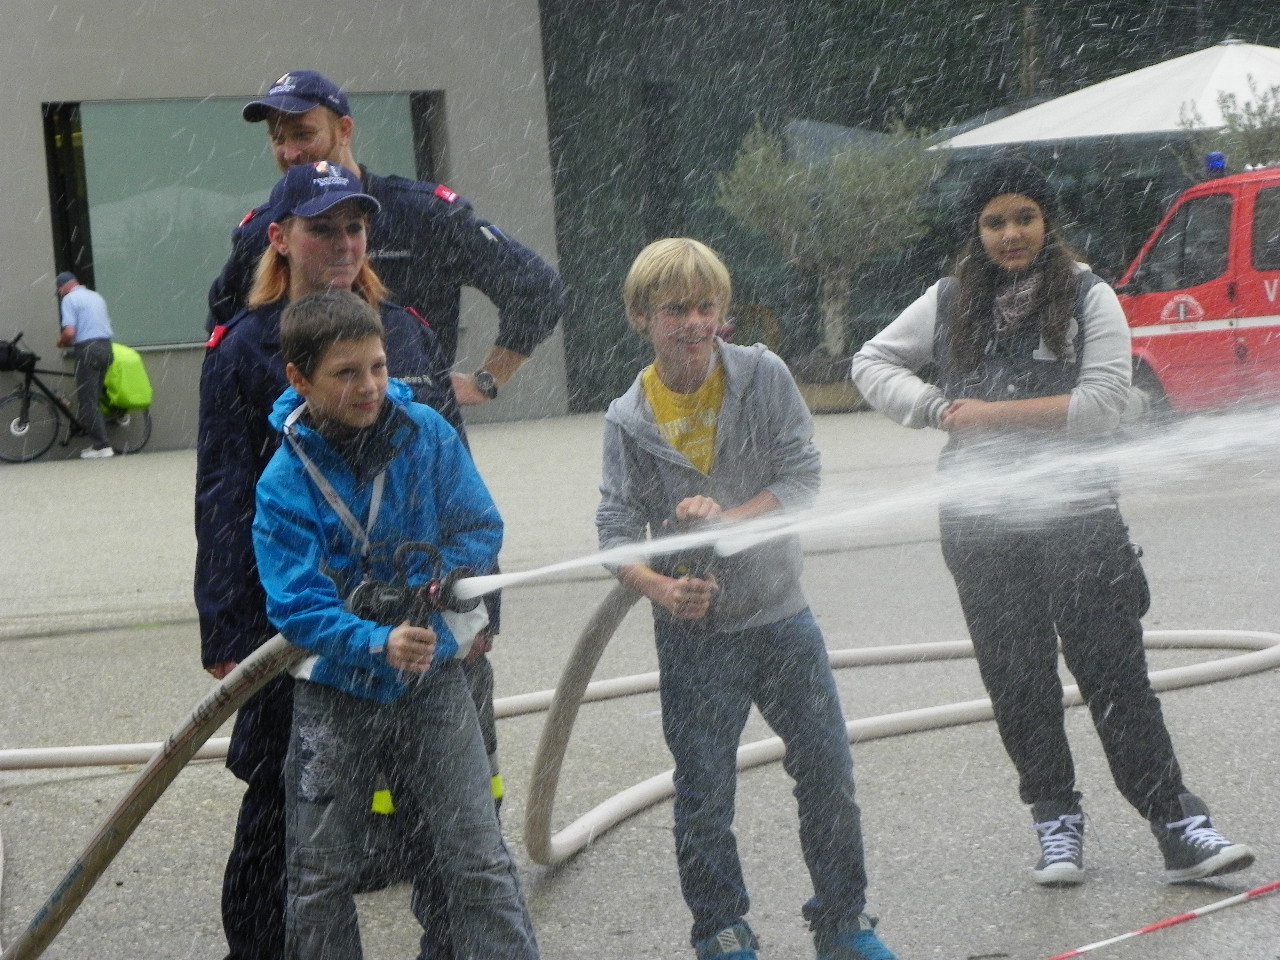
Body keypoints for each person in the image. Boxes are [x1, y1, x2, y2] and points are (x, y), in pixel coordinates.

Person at [851, 155, 1256, 887]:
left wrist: (987, 416)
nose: (1011, 234)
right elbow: (871, 362)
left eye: (1025, 218)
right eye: (994, 222)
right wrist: (934, 408)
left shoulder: (1090, 296)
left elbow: (1100, 405)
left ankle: (1177, 825)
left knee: (1114, 673)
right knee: (1017, 678)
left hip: (1079, 517)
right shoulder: (948, 298)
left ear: (1047, 222)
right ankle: (1055, 821)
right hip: (980, 524)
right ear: (977, 231)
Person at [596, 238, 897, 960]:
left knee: (828, 774)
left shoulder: (763, 376)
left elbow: (801, 478)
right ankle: (720, 931)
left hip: (781, 616)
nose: (694, 324)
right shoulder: (628, 419)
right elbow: (614, 532)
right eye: (676, 310)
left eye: (706, 307)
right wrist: (662, 588)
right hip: (696, 637)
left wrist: (729, 521)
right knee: (704, 796)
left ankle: (844, 924)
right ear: (641, 318)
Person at [196, 161, 466, 960]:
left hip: (413, 621)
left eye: (355, 227)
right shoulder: (245, 349)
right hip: (300, 621)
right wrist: (229, 632)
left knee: (437, 815)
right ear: (280, 238)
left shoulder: (405, 331)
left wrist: (476, 604)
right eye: (323, 229)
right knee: (282, 808)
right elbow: (224, 495)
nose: (344, 243)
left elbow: (456, 476)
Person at [252, 289, 539, 960]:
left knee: (477, 859)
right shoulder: (284, 480)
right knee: (320, 879)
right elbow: (295, 604)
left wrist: (445, 577)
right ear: (299, 379)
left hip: (432, 676)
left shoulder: (426, 433)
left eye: (378, 366)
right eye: (346, 373)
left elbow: (479, 525)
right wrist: (374, 640)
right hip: (334, 689)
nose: (369, 386)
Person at [55, 271, 115, 458]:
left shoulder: (69, 299)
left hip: (88, 350)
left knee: (88, 401)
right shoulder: (96, 296)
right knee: (94, 398)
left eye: (59, 289)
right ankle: (100, 440)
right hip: (106, 348)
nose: (60, 293)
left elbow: (69, 332)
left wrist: (61, 342)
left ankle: (102, 446)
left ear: (64, 286)